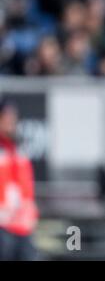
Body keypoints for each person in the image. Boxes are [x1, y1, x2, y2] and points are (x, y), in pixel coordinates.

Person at [0, 98, 39, 260]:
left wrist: (30, 210)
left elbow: (27, 188)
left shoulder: (19, 150)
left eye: (13, 118)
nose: (11, 122)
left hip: (22, 226)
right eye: (6, 117)